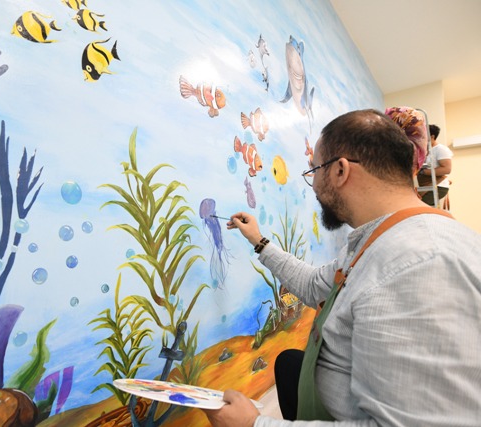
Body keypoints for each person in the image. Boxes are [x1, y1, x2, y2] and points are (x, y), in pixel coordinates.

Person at [203, 109, 481, 426]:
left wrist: (255, 425)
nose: (313, 185)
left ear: (339, 170)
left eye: (314, 170)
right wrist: (259, 241)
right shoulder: (381, 241)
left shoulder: (419, 265)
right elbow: (313, 285)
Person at [418, 124, 453, 207]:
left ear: (432, 137)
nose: (420, 138)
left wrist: (423, 172)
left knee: (418, 206)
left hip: (439, 186)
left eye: (423, 136)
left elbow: (447, 169)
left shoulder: (441, 149)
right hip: (426, 185)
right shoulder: (425, 150)